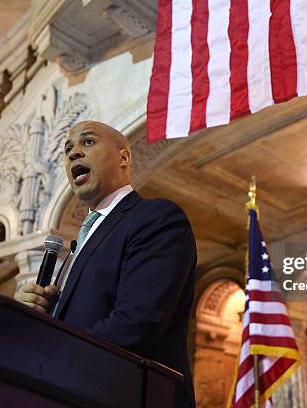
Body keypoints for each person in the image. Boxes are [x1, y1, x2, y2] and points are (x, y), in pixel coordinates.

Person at [14, 120, 197, 407]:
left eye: (87, 142)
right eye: (67, 148)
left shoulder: (155, 218)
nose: (73, 152)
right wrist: (42, 316)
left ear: (124, 157)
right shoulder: (81, 244)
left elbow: (136, 324)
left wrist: (49, 357)